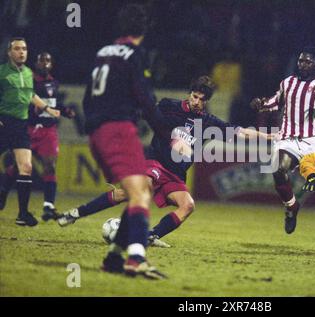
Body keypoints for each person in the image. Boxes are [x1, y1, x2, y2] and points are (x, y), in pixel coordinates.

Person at [58, 75, 273, 246]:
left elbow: (241, 132)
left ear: (207, 101)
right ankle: (77, 213)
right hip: (155, 163)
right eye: (194, 96)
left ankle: (151, 236)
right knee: (136, 191)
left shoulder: (208, 123)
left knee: (188, 205)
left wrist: (268, 136)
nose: (196, 101)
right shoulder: (169, 106)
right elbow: (143, 110)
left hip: (176, 175)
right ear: (190, 94)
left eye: (201, 99)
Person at [82, 4, 176, 279]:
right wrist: (166, 133)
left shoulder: (103, 52)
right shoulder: (135, 54)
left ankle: (113, 258)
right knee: (140, 194)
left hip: (97, 133)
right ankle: (136, 259)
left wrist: (95, 127)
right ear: (143, 29)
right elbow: (146, 99)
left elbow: (88, 98)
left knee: (137, 193)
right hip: (120, 130)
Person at [250, 46, 315, 234]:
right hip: (288, 139)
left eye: (307, 61)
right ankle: (291, 207)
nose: (303, 64)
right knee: (277, 166)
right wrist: (261, 104)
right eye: (300, 60)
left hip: (314, 141)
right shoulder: (287, 83)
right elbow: (276, 101)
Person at [0, 52, 75, 221]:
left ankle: (48, 206)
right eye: (42, 60)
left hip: (48, 131)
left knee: (50, 166)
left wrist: (65, 111)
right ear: (36, 63)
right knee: (18, 166)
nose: (45, 63)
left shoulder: (53, 81)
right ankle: (4, 191)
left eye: (48, 60)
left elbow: (54, 101)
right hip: (29, 128)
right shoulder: (28, 79)